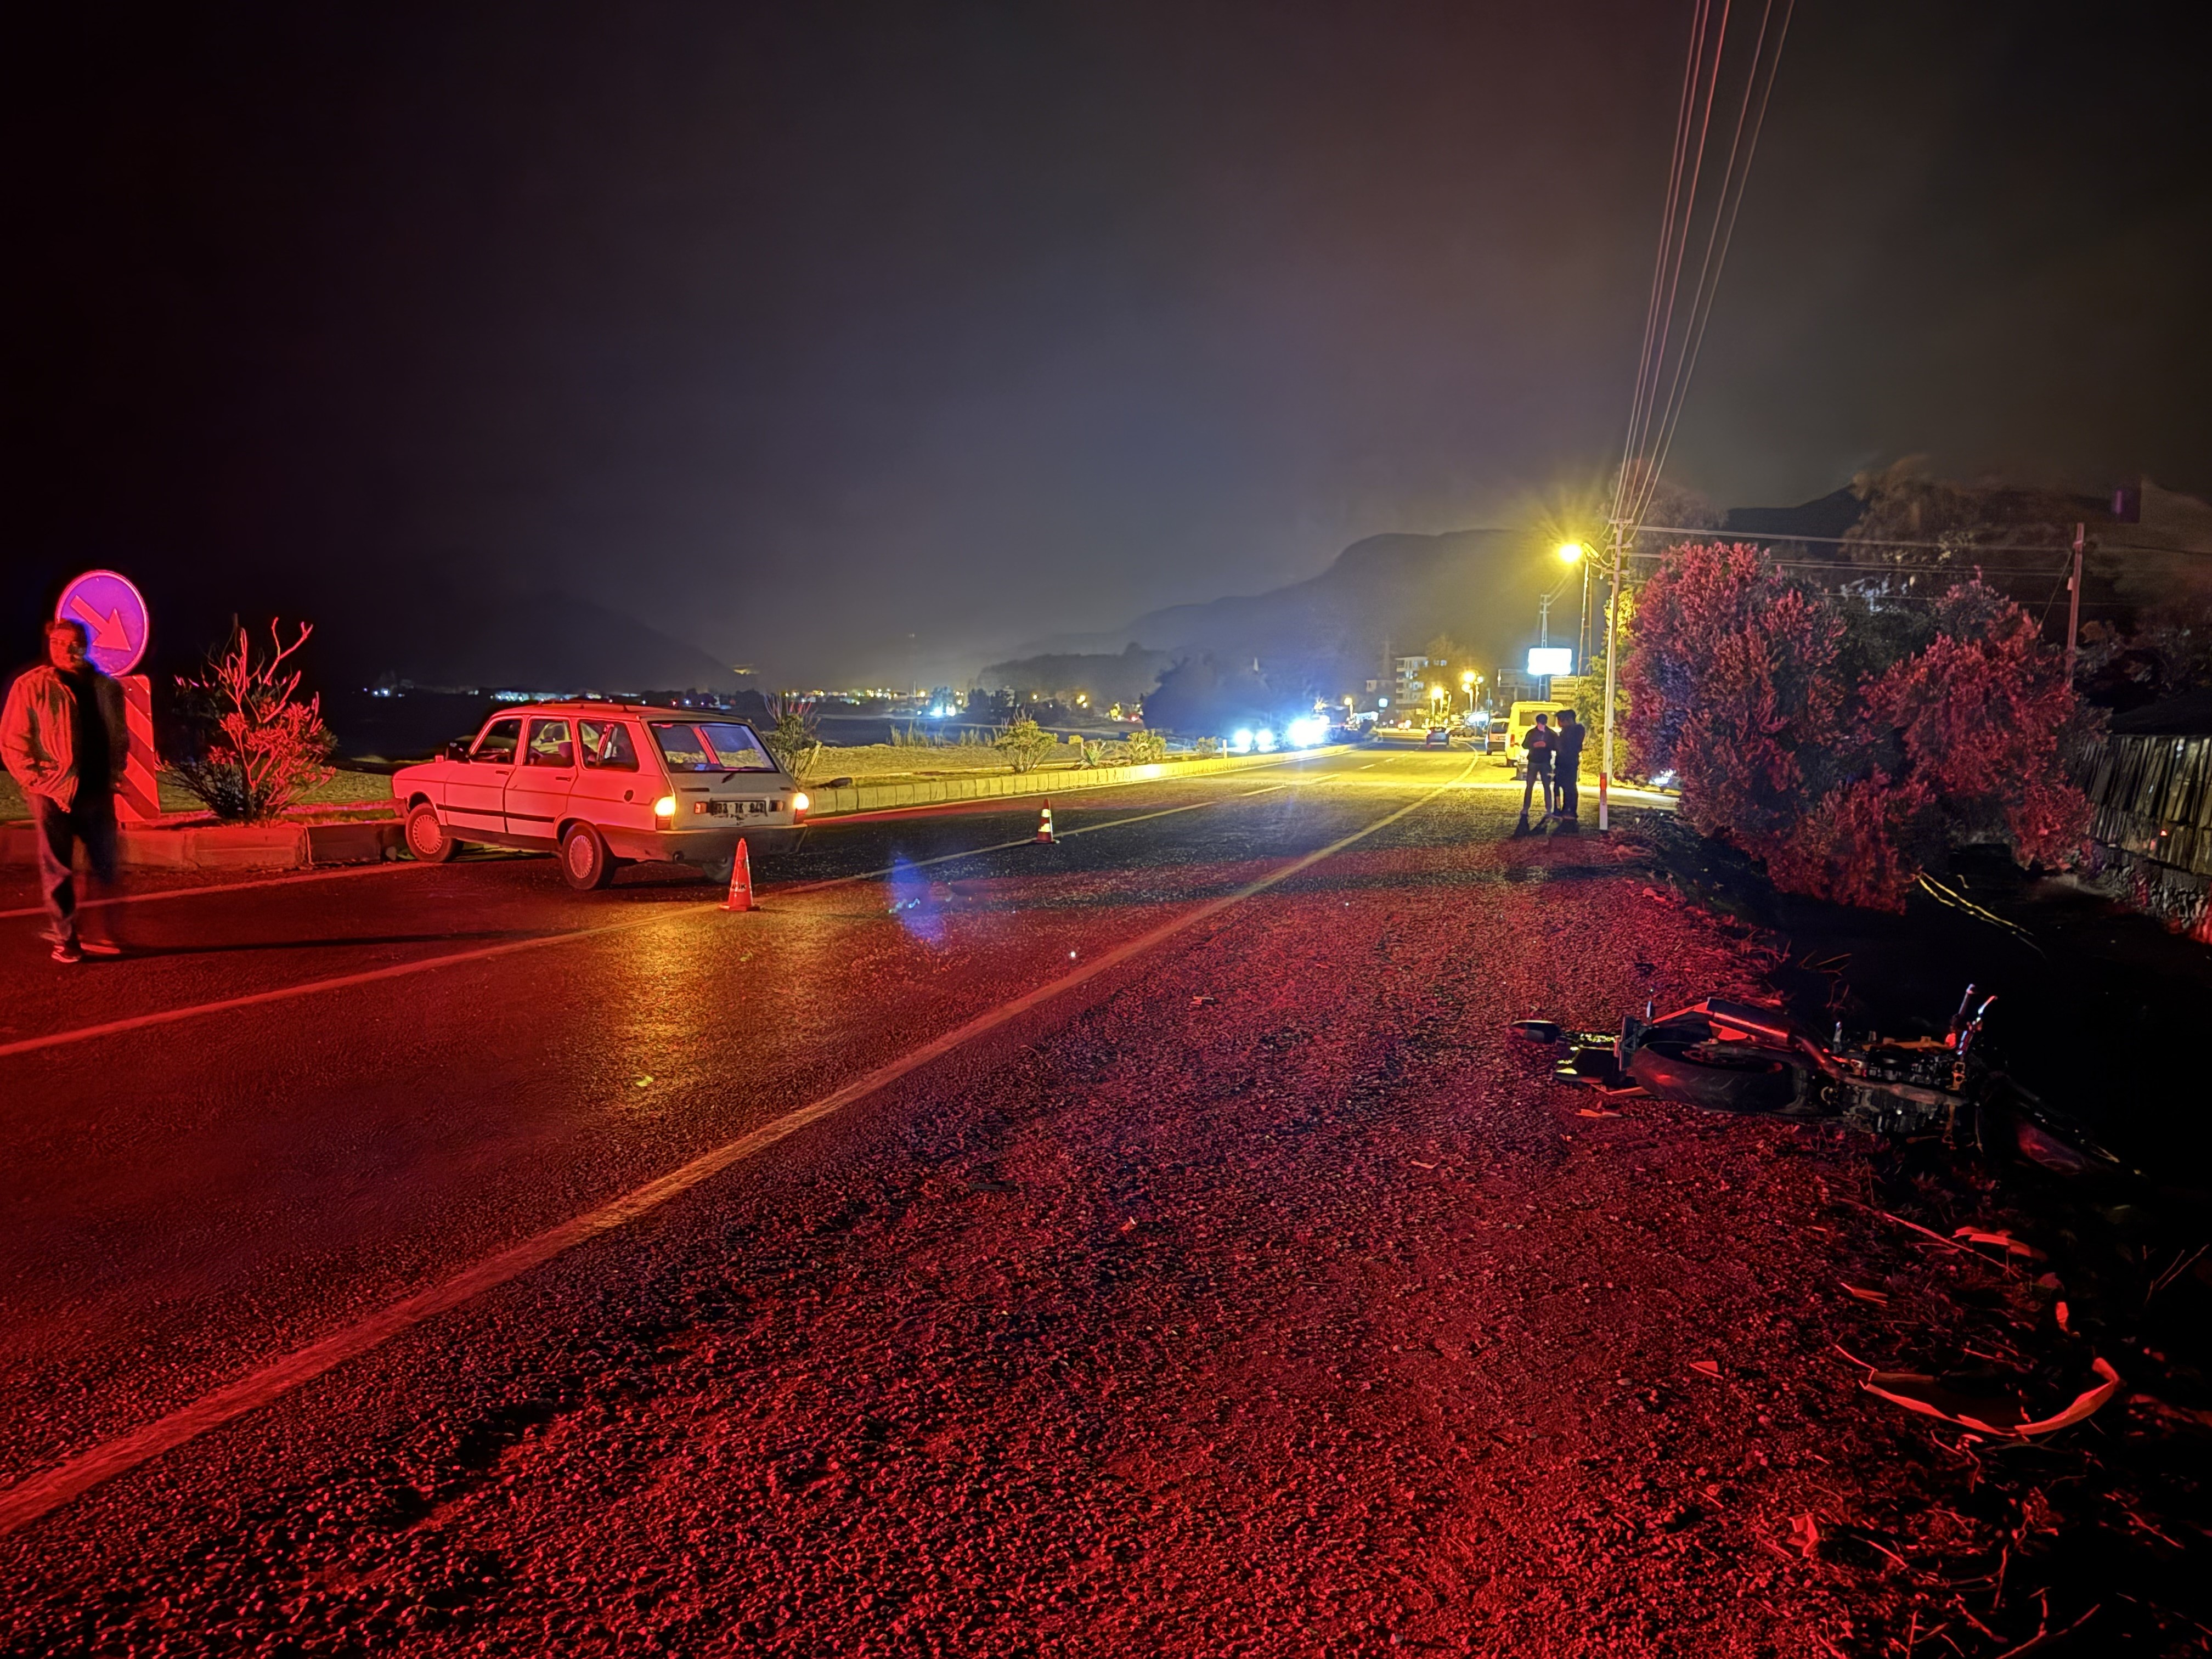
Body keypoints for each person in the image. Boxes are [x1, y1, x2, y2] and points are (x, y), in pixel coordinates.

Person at [3, 618, 127, 962]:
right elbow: (14, 741)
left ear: (86, 646)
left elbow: (119, 736)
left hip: (97, 792)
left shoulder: (107, 688)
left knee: (107, 867)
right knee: (58, 871)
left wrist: (116, 773)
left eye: (72, 644)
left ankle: (98, 928)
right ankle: (67, 939)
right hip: (52, 794)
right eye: (58, 643)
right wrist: (35, 782)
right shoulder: (32, 687)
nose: (65, 650)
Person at [1517, 711, 1555, 830]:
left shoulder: (1549, 733)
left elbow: (1555, 745)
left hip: (1543, 762)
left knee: (1546, 786)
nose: (1542, 725)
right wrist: (1535, 745)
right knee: (1530, 786)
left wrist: (1546, 745)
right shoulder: (1533, 733)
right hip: (1535, 761)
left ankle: (1548, 809)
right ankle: (1527, 808)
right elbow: (1525, 745)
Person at [1553, 707, 1585, 823]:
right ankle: (1562, 809)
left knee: (1568, 787)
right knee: (1561, 786)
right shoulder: (1570, 730)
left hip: (1568, 763)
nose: (1559, 723)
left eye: (1560, 720)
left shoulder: (1574, 730)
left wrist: (1557, 742)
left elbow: (1566, 747)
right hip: (1564, 762)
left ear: (1566, 720)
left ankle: (1568, 810)